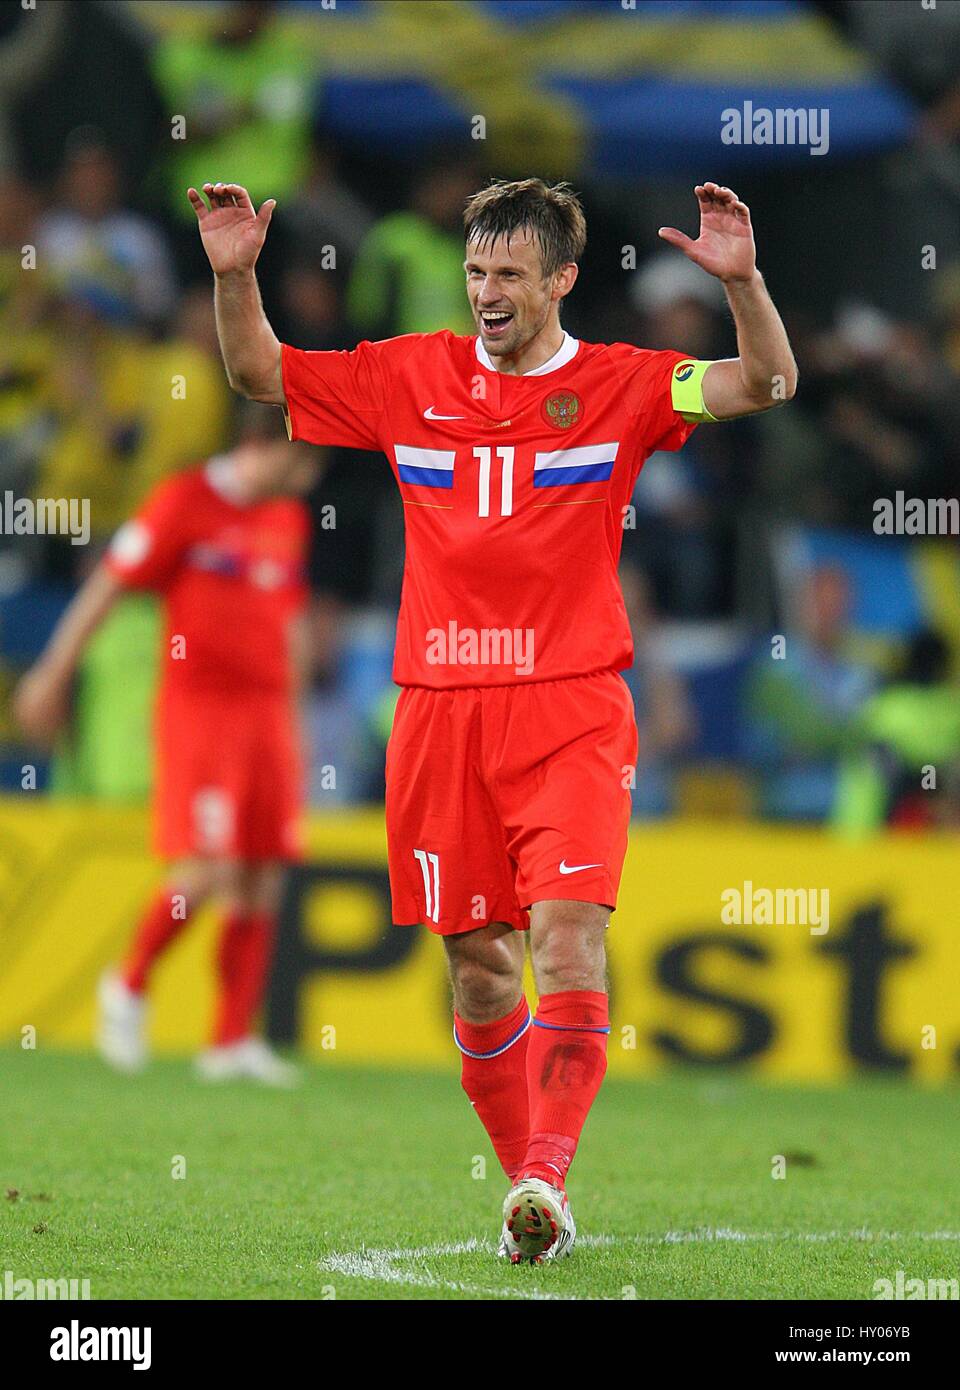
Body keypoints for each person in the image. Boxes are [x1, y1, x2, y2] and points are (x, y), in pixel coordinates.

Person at [189, 174, 797, 1260]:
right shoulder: (404, 373)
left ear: (563, 278)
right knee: (477, 965)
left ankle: (544, 1179)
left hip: (570, 704)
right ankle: (533, 1200)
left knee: (568, 936)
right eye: (476, 271)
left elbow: (768, 378)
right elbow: (255, 371)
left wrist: (744, 283)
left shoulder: (624, 387)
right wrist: (235, 274)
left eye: (511, 273)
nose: (487, 293)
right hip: (437, 708)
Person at [15, 402, 319, 1085]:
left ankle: (229, 1040)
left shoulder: (286, 518)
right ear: (258, 445)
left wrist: (295, 720)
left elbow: (290, 615)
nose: (302, 482)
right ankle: (127, 984)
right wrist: (52, 674)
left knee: (263, 870)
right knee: (207, 868)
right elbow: (108, 588)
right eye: (297, 464)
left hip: (268, 713)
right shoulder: (184, 500)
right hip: (202, 711)